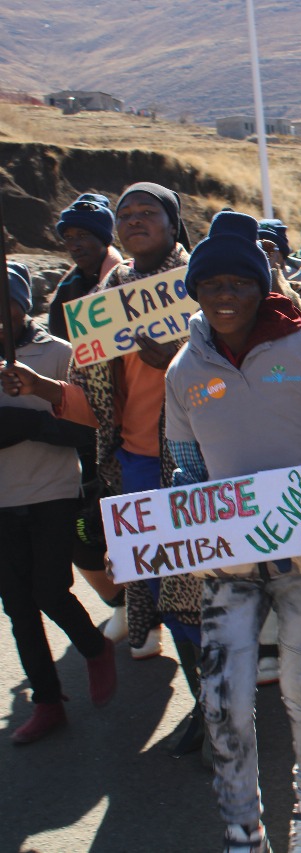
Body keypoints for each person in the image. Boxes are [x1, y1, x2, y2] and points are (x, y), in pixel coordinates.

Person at [162, 211, 301, 853]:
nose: (226, 295)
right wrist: (185, 512)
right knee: (224, 700)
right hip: (230, 563)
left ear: (261, 288)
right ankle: (242, 830)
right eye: (213, 284)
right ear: (196, 291)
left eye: (240, 283)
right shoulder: (182, 372)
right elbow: (186, 464)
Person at [24, 183, 208, 754]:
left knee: (205, 592)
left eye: (147, 212)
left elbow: (246, 362)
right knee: (167, 595)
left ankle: (225, 710)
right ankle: (210, 705)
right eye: (124, 214)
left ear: (172, 223)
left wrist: (176, 358)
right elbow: (95, 400)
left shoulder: (205, 281)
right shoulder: (109, 295)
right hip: (135, 465)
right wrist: (46, 389)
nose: (133, 221)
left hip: (202, 463)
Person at [0, 263, 117, 744]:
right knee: (17, 607)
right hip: (2, 502)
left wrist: (28, 424)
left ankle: (94, 648)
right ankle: (48, 703)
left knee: (49, 590)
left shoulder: (57, 353)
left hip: (53, 491)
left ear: (21, 304)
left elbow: (92, 426)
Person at [47, 194, 128, 641]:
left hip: (136, 428)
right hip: (85, 428)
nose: (75, 243)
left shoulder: (131, 285)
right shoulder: (66, 291)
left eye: (83, 235)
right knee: (85, 533)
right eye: (69, 236)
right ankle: (126, 604)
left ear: (103, 237)